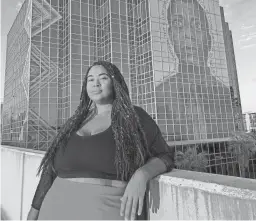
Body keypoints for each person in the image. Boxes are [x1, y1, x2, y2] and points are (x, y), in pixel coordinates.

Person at [27, 60, 174, 220]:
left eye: (103, 78)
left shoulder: (134, 117)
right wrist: (34, 212)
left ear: (115, 82)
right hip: (52, 212)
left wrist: (142, 174)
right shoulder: (74, 122)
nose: (95, 83)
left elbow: (165, 156)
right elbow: (50, 170)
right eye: (90, 79)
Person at [155, 0, 233, 141]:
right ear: (171, 36)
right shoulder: (161, 94)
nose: (188, 34)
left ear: (208, 39)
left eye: (197, 25)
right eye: (178, 24)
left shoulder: (223, 93)